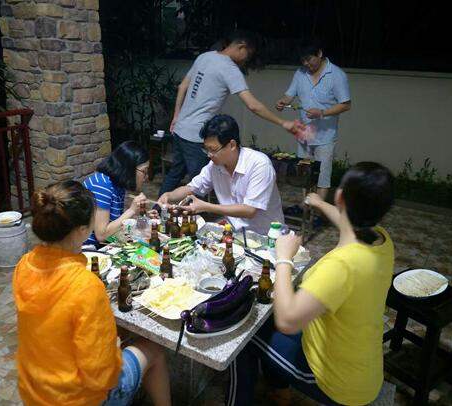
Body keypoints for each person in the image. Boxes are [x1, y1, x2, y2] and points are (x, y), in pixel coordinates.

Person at [227, 162, 395, 406]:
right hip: (362, 368)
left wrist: (284, 257)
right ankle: (279, 391)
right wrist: (319, 203)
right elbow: (348, 221)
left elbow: (287, 321)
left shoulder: (342, 266)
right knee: (266, 321)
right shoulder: (381, 240)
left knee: (242, 338)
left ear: (340, 197)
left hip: (336, 382)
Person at [13, 180, 171, 406]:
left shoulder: (24, 265)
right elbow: (102, 377)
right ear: (82, 231)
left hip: (33, 388)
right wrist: (113, 350)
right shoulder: (85, 285)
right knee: (153, 348)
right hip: (76, 399)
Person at [158, 30, 299, 198]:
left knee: (175, 174)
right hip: (196, 135)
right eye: (248, 55)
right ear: (241, 47)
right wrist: (283, 122)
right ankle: (198, 215)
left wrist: (176, 116)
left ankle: (157, 208)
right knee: (198, 187)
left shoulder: (205, 56)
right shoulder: (230, 69)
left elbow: (182, 86)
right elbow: (252, 105)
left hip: (181, 129)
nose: (247, 60)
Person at [158, 114, 283, 235]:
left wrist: (205, 206)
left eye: (213, 150)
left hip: (266, 235)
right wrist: (168, 195)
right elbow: (191, 188)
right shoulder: (214, 166)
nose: (209, 155)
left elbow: (250, 210)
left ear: (232, 145)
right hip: (234, 233)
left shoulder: (259, 164)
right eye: (206, 149)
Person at [276, 38, 351, 201]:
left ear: (319, 53)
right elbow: (289, 94)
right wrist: (282, 101)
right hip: (304, 134)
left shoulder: (337, 75)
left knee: (322, 177)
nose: (305, 63)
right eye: (302, 60)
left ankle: (317, 212)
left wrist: (322, 113)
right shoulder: (300, 73)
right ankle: (307, 208)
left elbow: (346, 105)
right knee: (304, 175)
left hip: (325, 136)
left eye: (308, 59)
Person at [83, 141, 151, 246]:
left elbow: (114, 224)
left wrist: (142, 215)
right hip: (88, 249)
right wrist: (132, 210)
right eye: (144, 171)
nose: (147, 177)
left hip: (103, 244)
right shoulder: (102, 185)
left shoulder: (118, 184)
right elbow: (101, 235)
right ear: (129, 168)